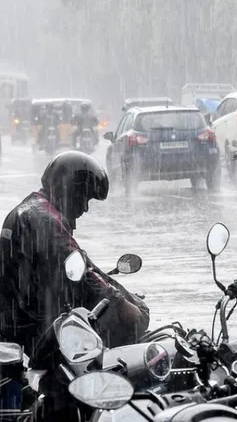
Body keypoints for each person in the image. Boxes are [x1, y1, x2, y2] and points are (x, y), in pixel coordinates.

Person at [0, 152, 150, 415]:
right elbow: (84, 275)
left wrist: (122, 293)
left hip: (19, 324)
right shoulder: (44, 220)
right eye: (84, 198)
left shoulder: (34, 209)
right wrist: (123, 306)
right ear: (68, 189)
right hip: (35, 331)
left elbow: (81, 262)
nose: (85, 208)